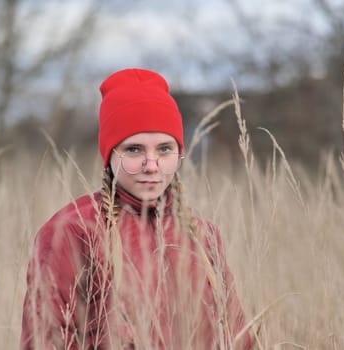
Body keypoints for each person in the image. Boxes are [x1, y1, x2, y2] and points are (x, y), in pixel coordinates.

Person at [20, 68, 251, 349]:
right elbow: (47, 339)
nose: (151, 165)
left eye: (164, 149)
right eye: (134, 150)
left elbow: (237, 337)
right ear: (109, 154)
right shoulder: (72, 231)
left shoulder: (203, 236)